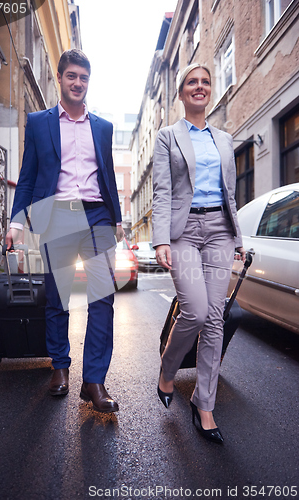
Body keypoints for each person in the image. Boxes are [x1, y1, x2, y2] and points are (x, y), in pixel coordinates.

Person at [5, 49, 124, 412]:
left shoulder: (102, 127)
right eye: (71, 76)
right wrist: (15, 222)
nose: (78, 83)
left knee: (102, 299)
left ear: (89, 82)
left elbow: (108, 176)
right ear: (60, 78)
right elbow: (27, 177)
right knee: (58, 298)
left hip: (97, 215)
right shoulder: (39, 122)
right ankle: (60, 368)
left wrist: (116, 220)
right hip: (56, 214)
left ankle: (94, 381)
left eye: (83, 77)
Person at [152, 63, 245, 443]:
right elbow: (161, 191)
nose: (200, 87)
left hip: (220, 229)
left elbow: (231, 192)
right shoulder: (167, 137)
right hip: (184, 230)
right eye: (193, 81)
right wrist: (160, 239)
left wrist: (238, 237)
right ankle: (167, 369)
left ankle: (204, 404)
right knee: (195, 309)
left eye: (206, 81)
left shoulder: (224, 139)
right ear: (181, 92)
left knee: (216, 319)